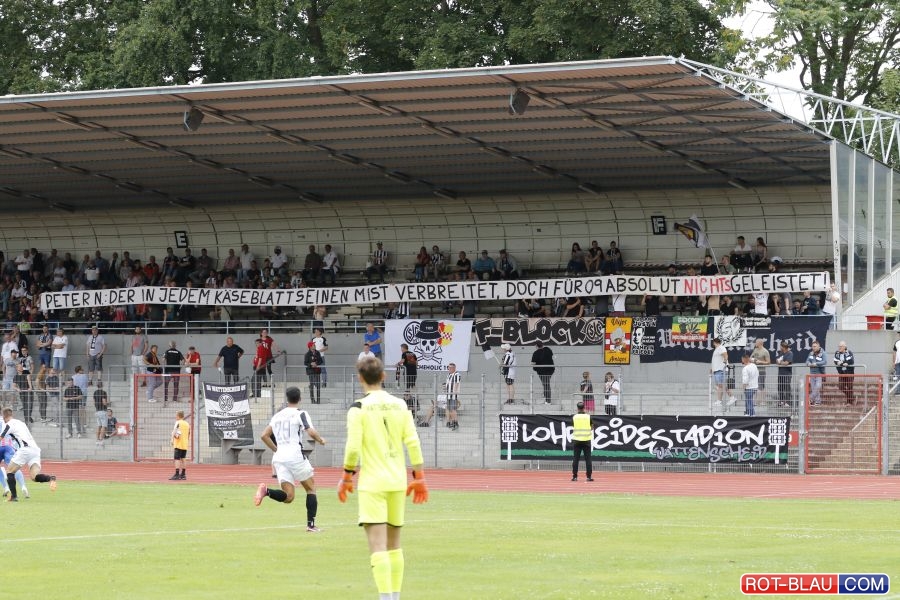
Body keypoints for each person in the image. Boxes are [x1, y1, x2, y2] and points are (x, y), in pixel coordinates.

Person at [337, 357, 428, 599]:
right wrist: (419, 477)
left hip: (372, 484)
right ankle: (395, 596)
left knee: (377, 546)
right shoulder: (400, 404)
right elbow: (413, 442)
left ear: (360, 378)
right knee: (394, 544)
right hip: (398, 482)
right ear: (383, 377)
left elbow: (353, 446)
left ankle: (386, 597)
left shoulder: (358, 407)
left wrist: (346, 476)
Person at [254, 386, 327, 532]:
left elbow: (264, 435)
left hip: (280, 459)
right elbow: (310, 431)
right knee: (311, 488)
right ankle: (311, 525)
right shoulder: (301, 413)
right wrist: (320, 440)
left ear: (287, 399)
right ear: (300, 398)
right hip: (295, 457)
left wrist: (277, 450)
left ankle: (266, 491)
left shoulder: (277, 416)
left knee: (289, 497)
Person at [0, 406, 57, 500]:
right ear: (11, 414)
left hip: (25, 450)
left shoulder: (8, 424)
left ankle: (13, 497)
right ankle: (50, 478)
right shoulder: (21, 423)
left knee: (10, 471)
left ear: (4, 416)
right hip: (35, 450)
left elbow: (1, 437)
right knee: (34, 477)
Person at [571, 401, 593, 482]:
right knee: (588, 459)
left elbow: (573, 426)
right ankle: (589, 476)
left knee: (576, 459)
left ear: (577, 408)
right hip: (586, 440)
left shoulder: (574, 417)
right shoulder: (588, 417)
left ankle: (575, 476)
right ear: (584, 408)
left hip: (577, 440)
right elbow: (592, 427)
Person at [710, 337, 733, 408]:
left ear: (714, 342)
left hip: (721, 370)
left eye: (713, 343)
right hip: (717, 370)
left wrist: (725, 361)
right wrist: (712, 368)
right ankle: (730, 398)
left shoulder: (721, 347)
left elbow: (725, 355)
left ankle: (720, 400)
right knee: (721, 386)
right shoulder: (717, 349)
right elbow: (715, 360)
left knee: (720, 385)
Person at [397, 343, 418, 412]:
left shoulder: (404, 353)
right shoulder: (412, 354)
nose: (401, 350)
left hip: (407, 372)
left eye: (401, 348)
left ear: (403, 348)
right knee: (413, 384)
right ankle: (415, 395)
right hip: (414, 372)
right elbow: (417, 362)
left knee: (407, 386)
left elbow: (402, 361)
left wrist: (397, 364)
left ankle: (408, 397)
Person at [834, 341, 856, 405]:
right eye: (839, 346)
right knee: (841, 387)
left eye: (841, 346)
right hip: (841, 373)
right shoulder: (837, 353)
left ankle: (849, 402)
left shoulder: (849, 352)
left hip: (849, 372)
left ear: (845, 347)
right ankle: (852, 397)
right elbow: (835, 360)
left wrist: (843, 362)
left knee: (849, 387)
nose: (839, 347)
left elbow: (851, 360)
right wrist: (839, 362)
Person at [170, 410, 190, 480]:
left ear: (178, 416)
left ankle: (177, 474)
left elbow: (175, 432)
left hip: (178, 443)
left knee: (177, 459)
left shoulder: (178, 422)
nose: (175, 416)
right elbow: (188, 434)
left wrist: (172, 439)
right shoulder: (187, 424)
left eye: (176, 415)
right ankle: (183, 474)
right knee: (183, 459)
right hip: (185, 443)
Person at [163, 341, 184, 405]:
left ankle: (165, 398)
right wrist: (180, 367)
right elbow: (183, 360)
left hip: (168, 370)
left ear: (169, 346)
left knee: (166, 385)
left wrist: (164, 367)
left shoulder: (167, 351)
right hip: (176, 370)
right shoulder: (178, 352)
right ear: (175, 346)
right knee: (176, 385)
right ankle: (175, 399)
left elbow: (163, 359)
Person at [806, 340, 826, 406]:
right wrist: (809, 363)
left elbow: (824, 362)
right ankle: (817, 401)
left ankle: (810, 398)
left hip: (819, 373)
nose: (813, 348)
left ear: (818, 346)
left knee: (818, 386)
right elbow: (807, 361)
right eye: (812, 346)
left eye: (815, 346)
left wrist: (816, 364)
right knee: (813, 388)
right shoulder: (811, 353)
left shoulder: (823, 353)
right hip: (812, 373)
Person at [775, 341, 794, 408]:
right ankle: (781, 401)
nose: (780, 347)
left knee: (787, 387)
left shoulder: (790, 353)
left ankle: (788, 402)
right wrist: (780, 362)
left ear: (783, 347)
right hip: (780, 373)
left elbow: (786, 363)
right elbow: (777, 361)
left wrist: (781, 362)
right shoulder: (780, 353)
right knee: (780, 387)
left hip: (787, 373)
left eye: (781, 346)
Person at [93, 381, 109, 447]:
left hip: (97, 411)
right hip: (103, 411)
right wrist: (109, 403)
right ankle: (101, 439)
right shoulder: (103, 392)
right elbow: (104, 402)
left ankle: (97, 440)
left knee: (99, 426)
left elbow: (94, 402)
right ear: (102, 385)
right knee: (103, 426)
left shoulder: (95, 392)